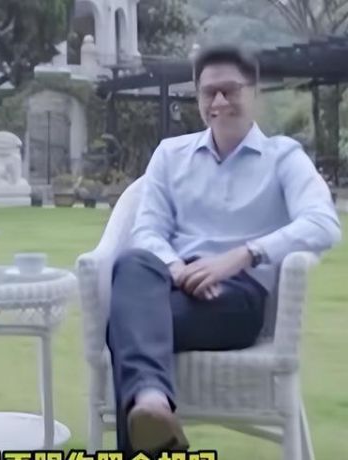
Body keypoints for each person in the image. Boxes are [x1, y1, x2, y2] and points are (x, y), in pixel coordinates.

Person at [106, 44, 342, 457]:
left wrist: (239, 257)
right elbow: (147, 230)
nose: (218, 102)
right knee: (132, 262)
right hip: (171, 284)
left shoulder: (283, 157)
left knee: (124, 325)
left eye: (230, 90)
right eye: (208, 92)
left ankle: (150, 404)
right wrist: (178, 270)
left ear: (254, 93)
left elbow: (323, 223)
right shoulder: (170, 155)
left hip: (234, 298)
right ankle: (152, 404)